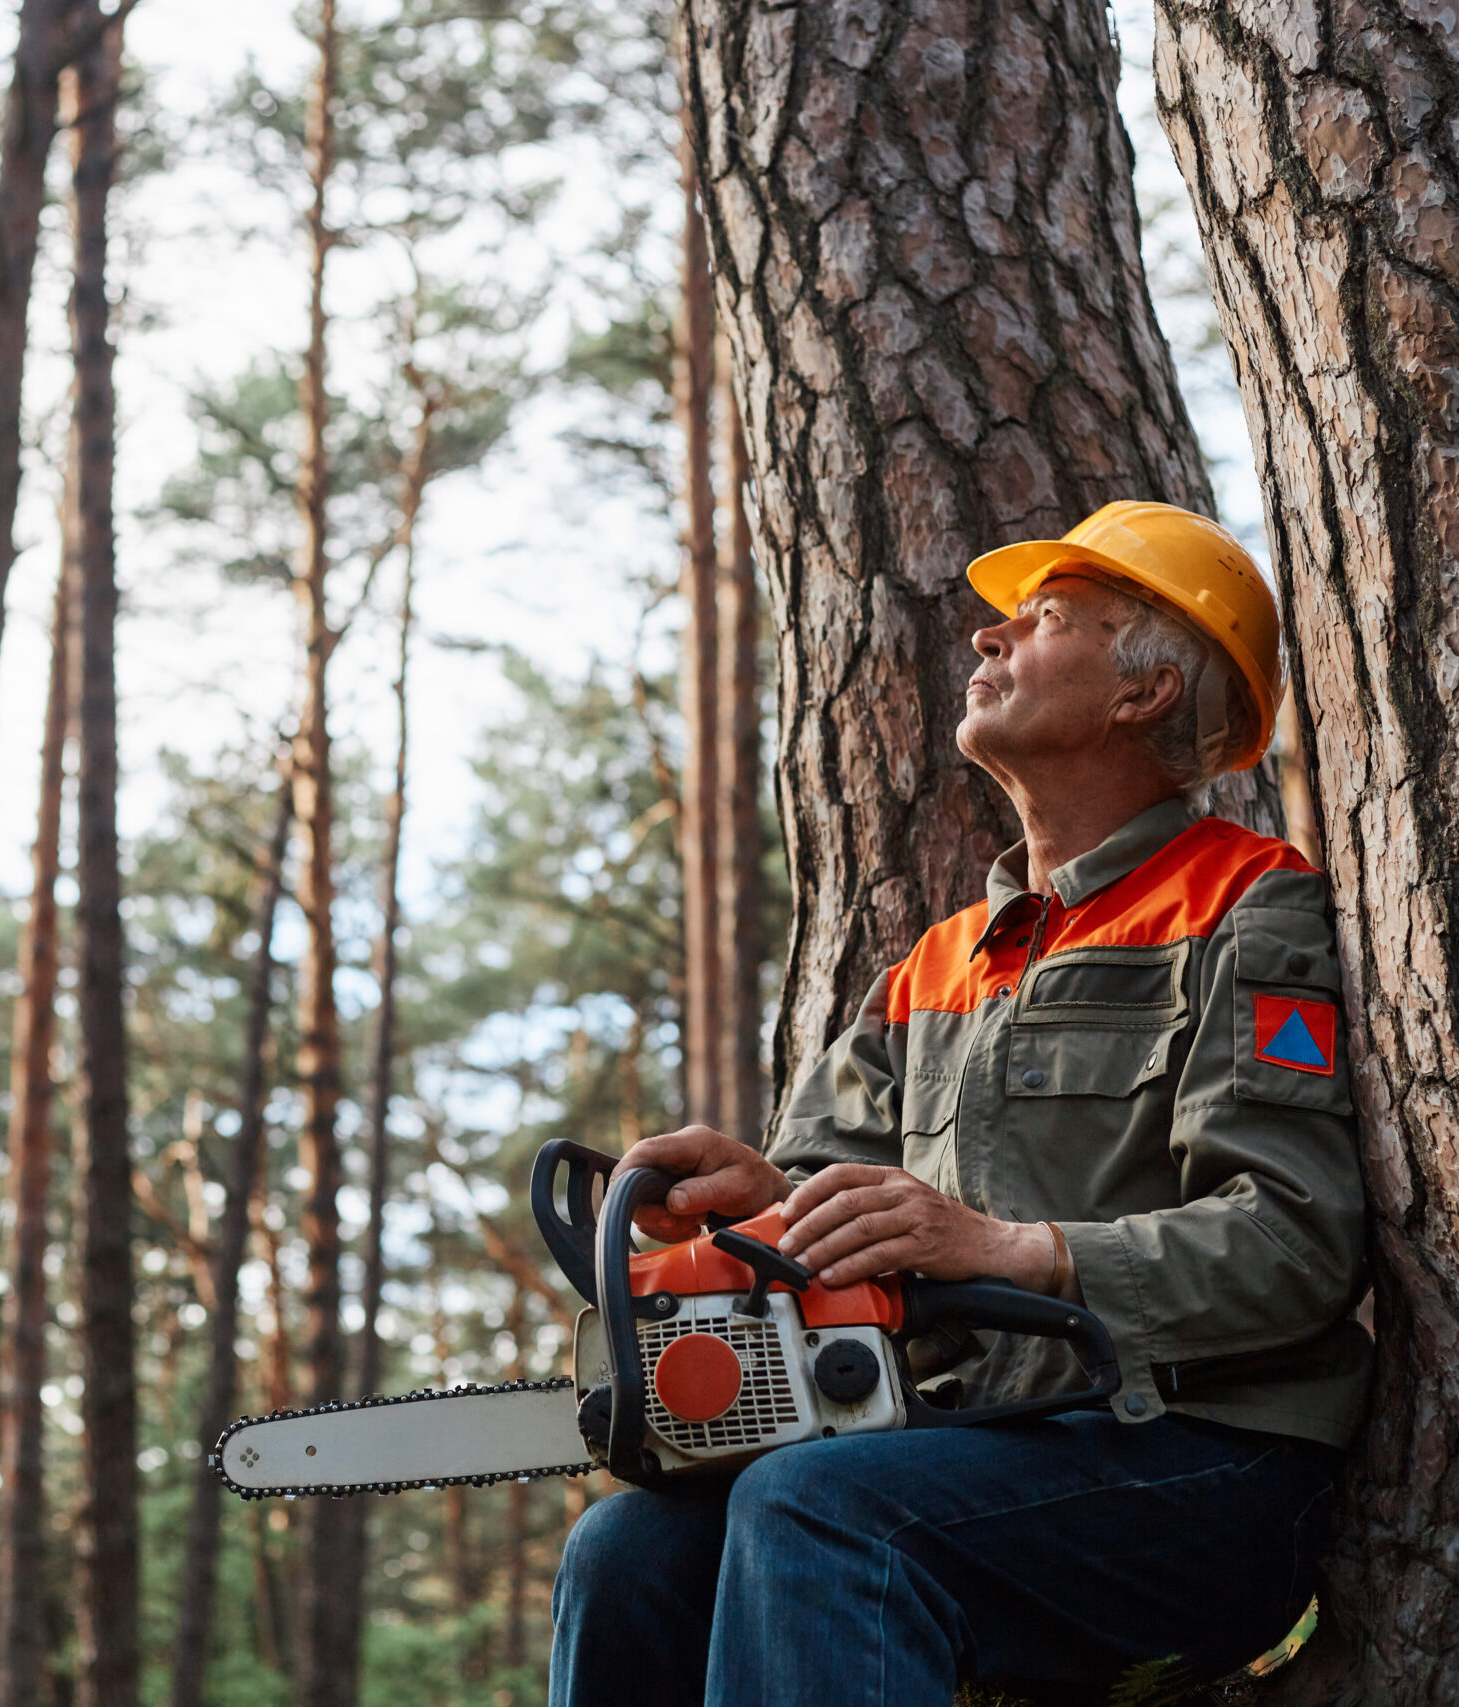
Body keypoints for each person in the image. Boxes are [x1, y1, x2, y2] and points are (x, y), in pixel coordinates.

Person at [550, 501, 1371, 1707]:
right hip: (963, 1450)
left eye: (1042, 621)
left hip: (1204, 1461)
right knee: (627, 1550)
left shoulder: (1249, 909)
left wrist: (1011, 1252)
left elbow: (1296, 1245)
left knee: (820, 1510)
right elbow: (814, 1206)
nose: (985, 641)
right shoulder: (936, 967)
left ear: (1143, 693)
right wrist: (763, 1205)